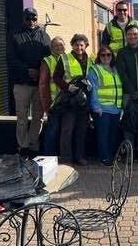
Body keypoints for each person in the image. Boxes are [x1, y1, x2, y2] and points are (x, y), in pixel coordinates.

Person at [8, 7, 51, 156]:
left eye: (34, 18)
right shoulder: (15, 35)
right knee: (22, 118)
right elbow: (11, 58)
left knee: (38, 117)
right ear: (24, 19)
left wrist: (40, 71)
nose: (32, 21)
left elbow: (48, 58)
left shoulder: (45, 36)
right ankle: (23, 146)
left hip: (39, 84)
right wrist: (28, 70)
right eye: (28, 18)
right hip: (22, 84)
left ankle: (34, 145)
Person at [53, 33, 92, 165]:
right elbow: (56, 77)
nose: (79, 47)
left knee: (81, 130)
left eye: (81, 45)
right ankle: (66, 159)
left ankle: (79, 157)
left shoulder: (89, 59)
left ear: (85, 46)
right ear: (72, 45)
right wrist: (67, 87)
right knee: (67, 130)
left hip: (83, 100)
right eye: (76, 45)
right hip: (69, 100)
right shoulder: (64, 58)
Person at [116, 24, 138, 164]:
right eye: (129, 34)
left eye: (135, 34)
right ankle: (129, 153)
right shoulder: (122, 52)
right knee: (128, 124)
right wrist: (132, 91)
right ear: (126, 36)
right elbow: (122, 73)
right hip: (128, 94)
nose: (132, 36)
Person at [88, 46, 122, 166]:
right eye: (103, 55)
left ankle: (112, 156)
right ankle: (105, 157)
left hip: (115, 108)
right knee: (103, 134)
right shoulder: (95, 70)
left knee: (113, 134)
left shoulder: (115, 69)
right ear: (99, 56)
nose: (106, 57)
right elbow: (93, 89)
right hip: (102, 109)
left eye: (109, 55)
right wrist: (96, 106)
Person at [38, 36, 66, 156]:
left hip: (67, 101)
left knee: (63, 130)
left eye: (61, 44)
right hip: (54, 102)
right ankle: (49, 155)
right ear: (51, 48)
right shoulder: (47, 61)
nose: (59, 47)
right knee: (52, 130)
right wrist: (46, 105)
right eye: (56, 45)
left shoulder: (68, 59)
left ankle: (60, 154)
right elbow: (43, 84)